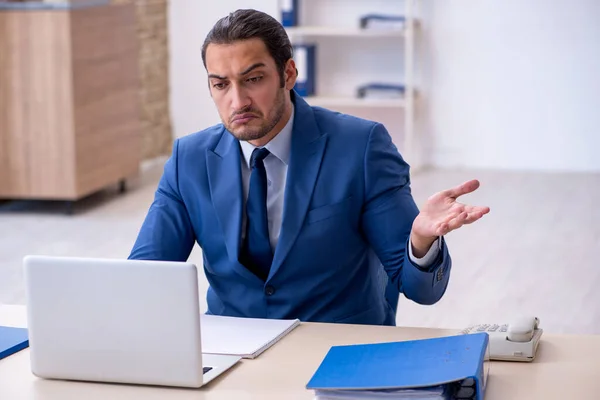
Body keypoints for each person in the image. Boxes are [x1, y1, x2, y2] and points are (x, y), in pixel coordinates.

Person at [129, 9, 490, 326]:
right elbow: (145, 278)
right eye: (221, 84)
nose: (237, 101)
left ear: (288, 74)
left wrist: (421, 241)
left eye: (253, 79)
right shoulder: (188, 159)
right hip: (232, 354)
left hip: (337, 351)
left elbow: (420, 289)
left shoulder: (361, 147)